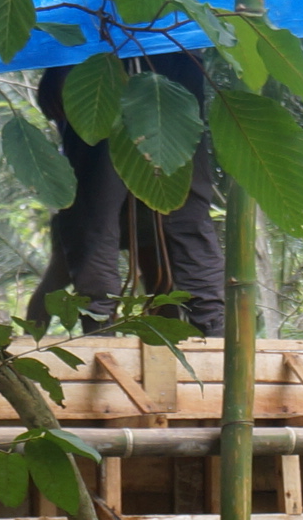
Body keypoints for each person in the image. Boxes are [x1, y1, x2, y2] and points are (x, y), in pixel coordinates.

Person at [36, 52, 222, 334]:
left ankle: (103, 326)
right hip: (123, 61)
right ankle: (102, 327)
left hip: (133, 60)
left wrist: (59, 69)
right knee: (106, 217)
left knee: (102, 219)